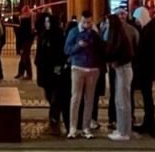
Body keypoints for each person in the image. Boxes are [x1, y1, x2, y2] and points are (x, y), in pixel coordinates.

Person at [64, 10, 101, 139]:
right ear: (81, 20)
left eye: (89, 22)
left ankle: (86, 128)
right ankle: (73, 128)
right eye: (85, 22)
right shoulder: (74, 32)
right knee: (75, 98)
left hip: (92, 69)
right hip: (78, 67)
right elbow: (67, 50)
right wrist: (78, 46)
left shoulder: (95, 33)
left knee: (89, 100)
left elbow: (100, 49)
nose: (87, 25)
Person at [104, 12, 135, 141]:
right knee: (121, 100)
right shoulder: (121, 34)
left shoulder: (117, 36)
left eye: (107, 22)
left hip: (123, 69)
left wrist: (109, 59)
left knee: (122, 100)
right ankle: (123, 129)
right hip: (123, 69)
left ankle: (123, 132)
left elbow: (113, 51)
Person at [35, 13, 68, 132]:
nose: (46, 24)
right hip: (45, 70)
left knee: (56, 97)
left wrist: (58, 68)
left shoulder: (59, 35)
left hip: (55, 70)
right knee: (49, 94)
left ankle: (54, 120)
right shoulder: (44, 34)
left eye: (48, 21)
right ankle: (54, 119)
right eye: (46, 21)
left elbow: (61, 53)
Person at [132, 7, 155, 137]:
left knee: (147, 97)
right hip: (147, 68)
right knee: (146, 96)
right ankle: (148, 123)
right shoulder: (149, 29)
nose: (137, 21)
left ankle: (150, 125)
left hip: (146, 69)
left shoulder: (149, 31)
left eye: (137, 18)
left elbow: (147, 52)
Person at [14, 6, 34, 80]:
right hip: (27, 40)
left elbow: (22, 33)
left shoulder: (24, 20)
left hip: (25, 41)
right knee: (24, 57)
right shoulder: (28, 19)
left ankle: (28, 74)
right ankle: (21, 72)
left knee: (25, 57)